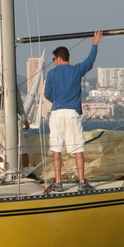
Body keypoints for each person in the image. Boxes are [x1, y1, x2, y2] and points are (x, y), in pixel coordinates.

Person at [44, 30, 103, 192]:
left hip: (57, 113)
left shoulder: (51, 74)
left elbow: (47, 94)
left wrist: (57, 100)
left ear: (58, 58)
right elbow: (90, 61)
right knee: (77, 149)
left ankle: (58, 182)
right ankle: (82, 181)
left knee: (56, 149)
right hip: (72, 113)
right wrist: (95, 43)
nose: (53, 62)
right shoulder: (76, 70)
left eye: (53, 59)